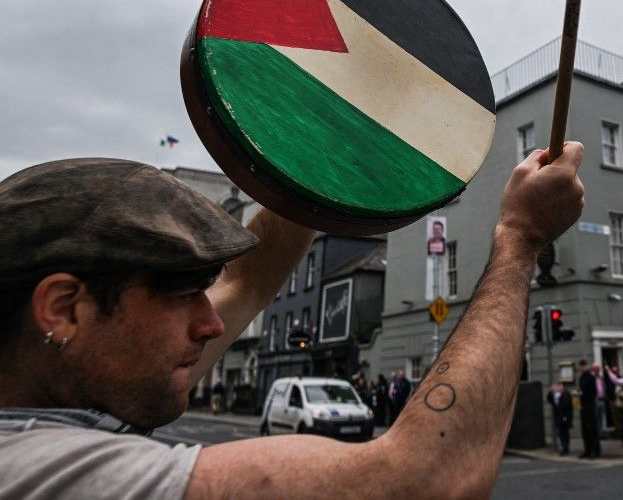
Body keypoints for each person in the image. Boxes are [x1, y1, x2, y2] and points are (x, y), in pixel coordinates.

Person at [0, 145, 585, 498]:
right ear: (64, 309)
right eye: (182, 295)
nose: (210, 326)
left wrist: (316, 158)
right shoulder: (39, 467)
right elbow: (425, 483)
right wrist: (520, 239)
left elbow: (246, 281)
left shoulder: (60, 387)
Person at [577, 360, 601, 459]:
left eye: (583, 366)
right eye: (581, 366)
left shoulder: (590, 377)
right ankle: (587, 450)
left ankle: (595, 451)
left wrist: (585, 397)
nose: (582, 368)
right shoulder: (581, 378)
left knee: (592, 429)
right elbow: (582, 390)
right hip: (583, 406)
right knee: (585, 430)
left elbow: (593, 392)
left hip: (590, 406)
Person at [547, 383, 573, 456]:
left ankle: (566, 448)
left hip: (565, 417)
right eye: (558, 387)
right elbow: (549, 399)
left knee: (565, 433)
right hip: (558, 418)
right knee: (560, 433)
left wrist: (558, 399)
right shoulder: (556, 395)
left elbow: (564, 404)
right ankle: (564, 447)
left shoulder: (566, 394)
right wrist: (551, 391)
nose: (559, 389)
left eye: (560, 387)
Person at [591, 363, 607, 441]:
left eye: (599, 369)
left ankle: (600, 433)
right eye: (596, 369)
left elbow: (603, 387)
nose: (598, 370)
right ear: (593, 369)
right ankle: (596, 434)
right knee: (595, 418)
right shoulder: (591, 378)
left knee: (600, 418)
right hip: (595, 400)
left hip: (602, 399)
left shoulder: (600, 378)